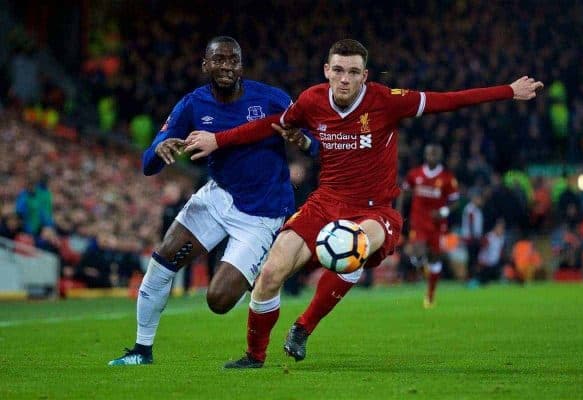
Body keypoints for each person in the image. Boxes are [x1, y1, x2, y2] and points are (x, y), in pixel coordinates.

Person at [184, 39, 543, 368]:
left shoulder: (385, 100)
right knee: (270, 273)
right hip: (325, 203)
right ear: (327, 70)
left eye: (353, 72)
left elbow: (447, 100)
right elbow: (269, 125)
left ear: (364, 76)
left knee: (352, 243)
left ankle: (304, 327)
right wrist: (219, 139)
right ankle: (254, 355)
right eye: (338, 70)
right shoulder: (310, 101)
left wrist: (508, 91)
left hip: (375, 210)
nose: (344, 79)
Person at [108, 36, 318, 366]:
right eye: (218, 60)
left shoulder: (272, 99)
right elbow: (149, 162)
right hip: (218, 196)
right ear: (205, 65)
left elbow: (318, 142)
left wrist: (304, 142)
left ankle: (258, 270)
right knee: (163, 258)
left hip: (263, 212)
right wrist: (159, 153)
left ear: (241, 66)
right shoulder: (193, 104)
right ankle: (141, 350)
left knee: (218, 301)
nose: (225, 66)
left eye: (232, 60)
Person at [399, 144, 460, 308]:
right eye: (429, 154)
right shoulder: (415, 174)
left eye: (435, 154)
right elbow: (403, 192)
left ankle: (430, 294)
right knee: (418, 251)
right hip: (418, 221)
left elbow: (455, 200)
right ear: (425, 155)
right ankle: (420, 267)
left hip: (437, 224)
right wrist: (397, 214)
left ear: (440, 156)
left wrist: (444, 211)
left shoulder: (447, 178)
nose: (432, 157)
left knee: (434, 258)